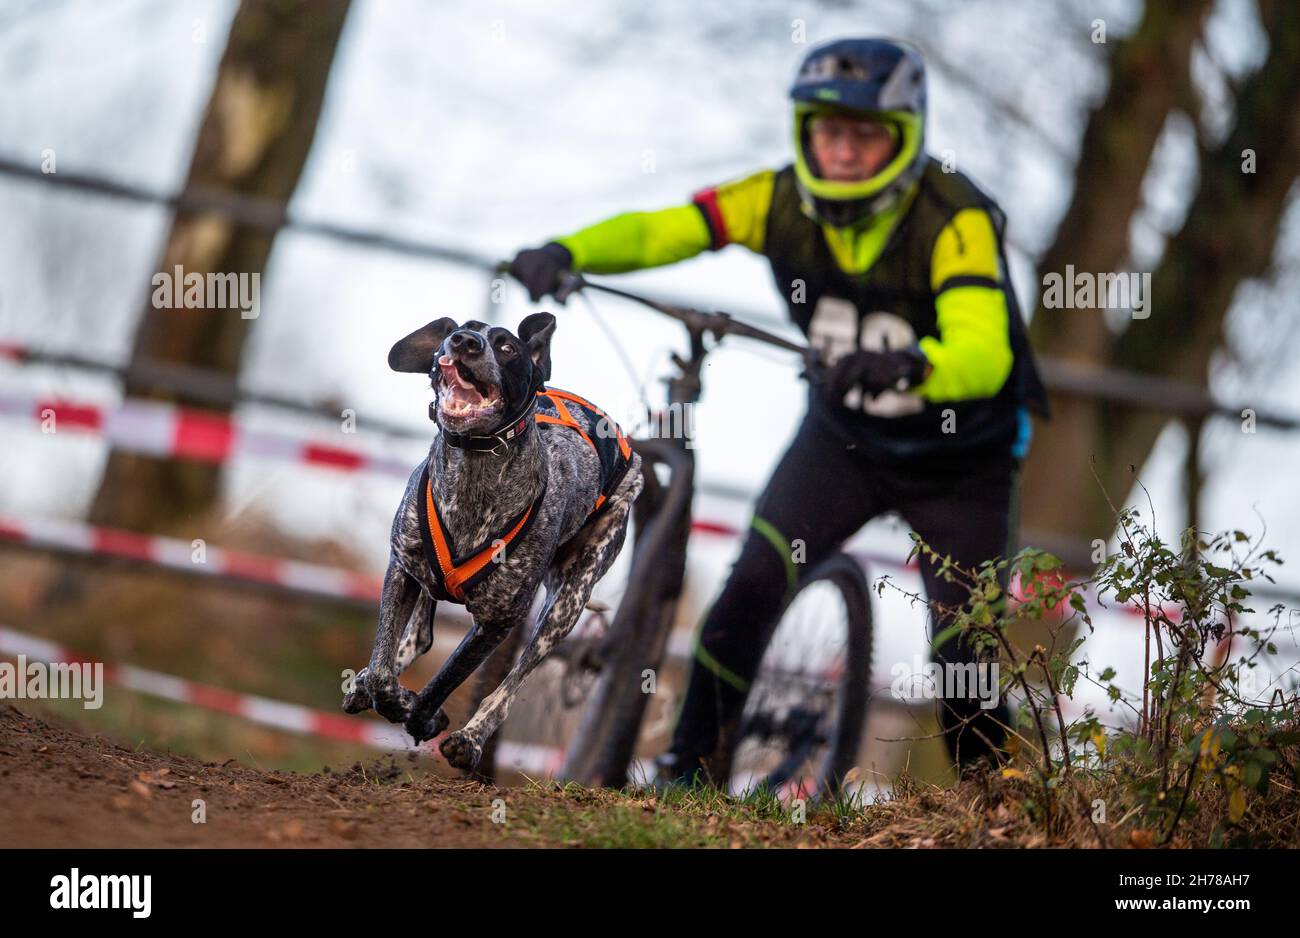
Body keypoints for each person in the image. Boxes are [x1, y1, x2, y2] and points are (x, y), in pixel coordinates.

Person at [509, 37, 1049, 784]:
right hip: (844, 442)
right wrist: (569, 250)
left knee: (962, 656)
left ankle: (1002, 811)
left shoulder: (955, 217)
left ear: (903, 139)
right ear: (804, 133)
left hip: (963, 465)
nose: (844, 153)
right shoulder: (775, 199)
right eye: (828, 133)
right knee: (752, 587)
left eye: (865, 135)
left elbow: (987, 352)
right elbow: (666, 229)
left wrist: (918, 364)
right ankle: (688, 770)